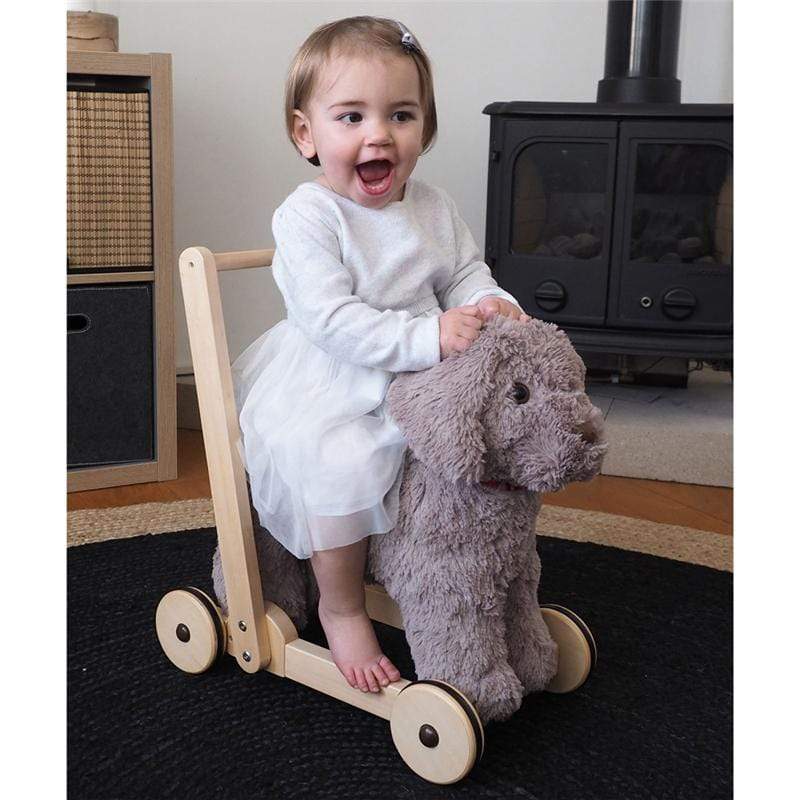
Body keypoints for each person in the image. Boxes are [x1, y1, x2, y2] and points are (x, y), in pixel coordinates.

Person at [233, 16, 530, 695]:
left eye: (401, 115)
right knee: (343, 464)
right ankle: (341, 608)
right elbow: (330, 319)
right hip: (336, 376)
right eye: (351, 117)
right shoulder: (308, 216)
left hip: (425, 375)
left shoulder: (433, 206)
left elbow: (465, 274)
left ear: (425, 126)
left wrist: (490, 303)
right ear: (306, 134)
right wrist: (427, 339)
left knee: (474, 456)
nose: (379, 135)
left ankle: (463, 586)